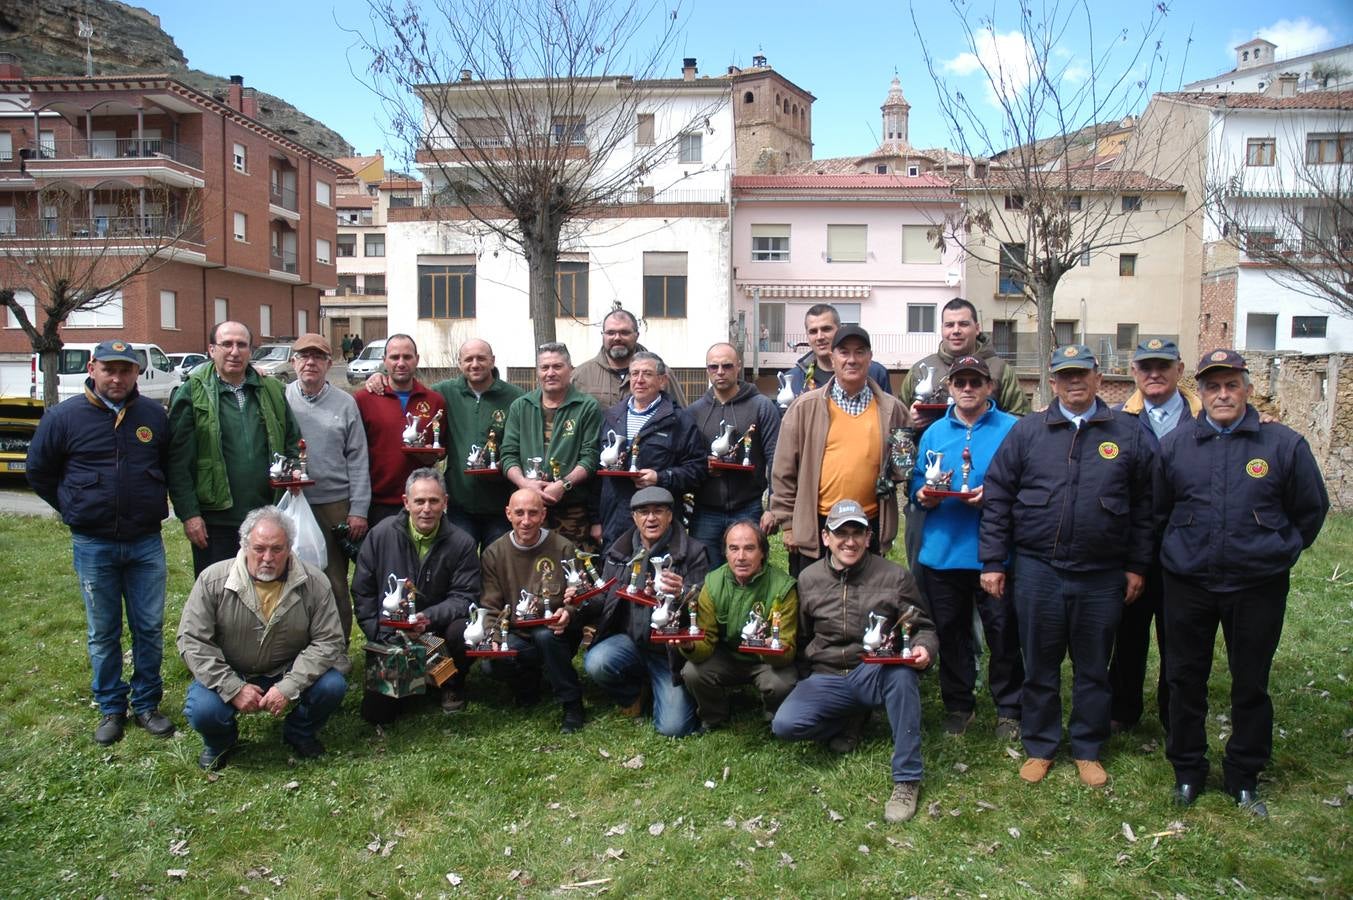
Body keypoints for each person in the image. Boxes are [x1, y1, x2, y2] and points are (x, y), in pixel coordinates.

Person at [1155, 349, 1328, 816]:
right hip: (1189, 583)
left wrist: (1278, 550)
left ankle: (1243, 775)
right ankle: (1187, 771)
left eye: (1232, 385)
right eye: (1213, 386)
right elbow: (1157, 510)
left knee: (1250, 682)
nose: (1223, 394)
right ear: (1201, 393)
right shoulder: (1176, 446)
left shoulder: (1283, 445)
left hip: (1257, 586)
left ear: (1248, 390)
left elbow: (1310, 510)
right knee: (1184, 679)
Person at [979, 345, 1154, 788]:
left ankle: (1087, 747)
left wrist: (1137, 565)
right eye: (1065, 375)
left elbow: (1146, 506)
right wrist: (993, 561)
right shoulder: (1028, 432)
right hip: (1039, 569)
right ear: (1052, 383)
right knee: (1040, 664)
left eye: (1082, 374)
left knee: (1094, 667)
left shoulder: (1128, 433)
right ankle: (1040, 745)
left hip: (1101, 573)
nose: (1075, 382)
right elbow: (998, 497)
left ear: (1099, 379)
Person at [26, 339, 175, 745]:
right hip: (94, 545)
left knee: (148, 627)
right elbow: (38, 470)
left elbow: (167, 465)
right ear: (92, 368)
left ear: (137, 372)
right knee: (103, 631)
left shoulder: (152, 416)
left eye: (126, 370)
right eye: (109, 369)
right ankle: (111, 707)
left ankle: (147, 704)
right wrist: (72, 506)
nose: (117, 378)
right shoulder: (64, 417)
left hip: (145, 542)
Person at [771, 500, 937, 824]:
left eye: (857, 533)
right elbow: (802, 636)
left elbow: (923, 628)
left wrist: (924, 649)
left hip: (873, 671)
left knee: (902, 675)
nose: (849, 541)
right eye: (841, 533)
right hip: (827, 675)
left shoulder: (894, 577)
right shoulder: (808, 579)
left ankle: (907, 779)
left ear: (868, 537)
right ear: (826, 538)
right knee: (785, 725)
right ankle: (850, 718)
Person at [177, 506, 350, 769]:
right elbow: (192, 641)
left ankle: (300, 731)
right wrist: (233, 688)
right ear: (244, 545)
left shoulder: (315, 582)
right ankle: (221, 742)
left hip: (288, 668)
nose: (268, 557)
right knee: (204, 710)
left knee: (332, 686)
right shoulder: (212, 580)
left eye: (277, 549)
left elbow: (328, 640)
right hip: (230, 669)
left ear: (289, 547)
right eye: (259, 549)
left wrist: (289, 686)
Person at [909, 355, 1023, 739]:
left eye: (976, 382)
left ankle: (1009, 708)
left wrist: (994, 494)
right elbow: (916, 480)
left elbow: (1028, 481)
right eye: (961, 382)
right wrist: (923, 494)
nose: (968, 388)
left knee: (1003, 632)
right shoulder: (934, 432)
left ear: (990, 386)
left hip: (995, 553)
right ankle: (959, 705)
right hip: (943, 551)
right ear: (950, 388)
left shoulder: (1013, 429)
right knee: (951, 631)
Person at [1105, 338, 1200, 736]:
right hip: (1132, 548)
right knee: (1128, 631)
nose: (1155, 374)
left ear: (1180, 370)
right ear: (1134, 373)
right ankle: (1123, 708)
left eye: (1163, 366)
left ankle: (1173, 713)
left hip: (1186, 548)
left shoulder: (1202, 417)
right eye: (1146, 367)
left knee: (1178, 637)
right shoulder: (1116, 419)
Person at [897, 297, 1030, 566]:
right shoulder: (921, 369)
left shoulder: (999, 369)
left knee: (991, 564)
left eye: (963, 324)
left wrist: (984, 425)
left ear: (977, 328)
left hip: (988, 485)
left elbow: (1023, 423)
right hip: (933, 487)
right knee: (927, 563)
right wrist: (910, 423)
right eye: (949, 325)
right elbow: (899, 430)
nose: (955, 330)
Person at [770, 324, 909, 576]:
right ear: (832, 358)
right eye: (844, 352)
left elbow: (903, 468)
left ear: (870, 358)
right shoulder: (804, 408)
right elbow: (783, 470)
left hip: (869, 524)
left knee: (867, 595)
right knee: (813, 595)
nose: (852, 359)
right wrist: (788, 524)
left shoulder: (893, 410)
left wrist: (897, 462)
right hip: (817, 524)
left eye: (859, 352)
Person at [168, 321, 302, 576]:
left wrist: (294, 472)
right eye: (226, 344)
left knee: (268, 590)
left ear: (250, 350)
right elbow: (177, 462)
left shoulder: (271, 389)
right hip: (216, 521)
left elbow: (292, 441)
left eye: (242, 345)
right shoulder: (192, 392)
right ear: (211, 349)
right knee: (219, 589)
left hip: (267, 517)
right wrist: (189, 514)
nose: (234, 351)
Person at [365, 339, 522, 550]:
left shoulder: (515, 398)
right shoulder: (444, 393)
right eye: (468, 359)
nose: (475, 364)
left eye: (481, 358)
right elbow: (410, 389)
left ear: (492, 360)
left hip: (500, 503)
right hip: (459, 504)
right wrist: (379, 376)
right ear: (459, 363)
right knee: (457, 559)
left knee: (496, 562)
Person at [352, 468, 480, 721]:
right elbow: (362, 592)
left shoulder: (462, 543)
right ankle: (416, 677)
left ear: (445, 502)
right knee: (377, 715)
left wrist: (427, 618)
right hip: (393, 635)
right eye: (419, 501)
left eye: (434, 501)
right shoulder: (380, 534)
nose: (426, 509)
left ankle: (451, 682)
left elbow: (465, 597)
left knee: (463, 629)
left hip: (438, 632)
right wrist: (381, 634)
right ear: (406, 502)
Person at [582, 486, 710, 736]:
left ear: (670, 515)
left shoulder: (693, 552)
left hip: (668, 653)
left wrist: (682, 592)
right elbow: (604, 597)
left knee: (674, 728)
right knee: (597, 662)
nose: (651, 518)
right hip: (629, 642)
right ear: (634, 517)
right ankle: (633, 692)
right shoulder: (619, 550)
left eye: (658, 511)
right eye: (643, 512)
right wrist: (580, 600)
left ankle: (664, 686)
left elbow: (705, 601)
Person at [285, 333, 370, 641]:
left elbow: (358, 458)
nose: (310, 362)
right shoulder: (280, 398)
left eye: (318, 357)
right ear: (294, 362)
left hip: (335, 504)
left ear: (328, 363)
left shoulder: (345, 404)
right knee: (290, 578)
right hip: (292, 501)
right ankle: (296, 647)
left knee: (334, 581)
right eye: (303, 356)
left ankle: (337, 648)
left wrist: (358, 509)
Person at [478, 489, 586, 732]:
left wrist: (569, 611)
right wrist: (493, 638)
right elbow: (490, 605)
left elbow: (580, 596)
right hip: (517, 634)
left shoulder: (564, 548)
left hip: (557, 633)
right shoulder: (494, 553)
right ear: (508, 514)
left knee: (545, 636)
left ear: (543, 515)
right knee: (492, 664)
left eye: (533, 513)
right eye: (519, 513)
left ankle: (572, 703)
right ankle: (527, 684)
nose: (526, 521)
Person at [678, 521, 798, 731]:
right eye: (733, 548)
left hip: (765, 662)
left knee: (782, 682)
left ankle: (773, 716)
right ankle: (714, 715)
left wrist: (771, 649)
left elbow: (788, 651)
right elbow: (706, 641)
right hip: (727, 657)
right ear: (725, 553)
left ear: (763, 552)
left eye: (749, 548)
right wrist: (690, 646)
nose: (740, 557)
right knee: (692, 672)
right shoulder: (713, 583)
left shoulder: (783, 588)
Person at [594, 351, 705, 548]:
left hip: (658, 521)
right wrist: (596, 519)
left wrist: (661, 477)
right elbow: (595, 473)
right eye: (634, 373)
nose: (639, 380)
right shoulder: (611, 417)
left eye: (647, 373)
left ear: (662, 381)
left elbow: (697, 469)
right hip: (615, 520)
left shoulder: (679, 421)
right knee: (616, 566)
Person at [686, 342, 780, 566]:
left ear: (738, 367)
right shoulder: (694, 411)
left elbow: (776, 459)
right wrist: (703, 465)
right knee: (705, 575)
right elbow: (686, 459)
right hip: (705, 510)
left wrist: (773, 508)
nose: (720, 372)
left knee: (749, 572)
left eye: (727, 366)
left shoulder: (761, 406)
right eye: (714, 366)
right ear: (707, 370)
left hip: (748, 506)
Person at [500, 342, 601, 548]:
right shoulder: (521, 406)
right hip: (528, 509)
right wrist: (524, 483)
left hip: (572, 509)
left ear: (570, 369)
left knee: (571, 563)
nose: (550, 373)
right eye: (544, 367)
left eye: (557, 366)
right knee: (528, 563)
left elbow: (590, 457)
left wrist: (563, 485)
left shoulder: (587, 406)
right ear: (537, 371)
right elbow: (508, 454)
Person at [353, 334, 447, 526]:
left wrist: (431, 455)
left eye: (407, 357)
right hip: (377, 503)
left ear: (417, 359)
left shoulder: (434, 401)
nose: (401, 363)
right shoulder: (363, 399)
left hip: (421, 504)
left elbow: (442, 449)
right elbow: (354, 452)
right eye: (395, 357)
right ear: (384, 360)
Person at [573, 308, 688, 409]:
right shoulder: (579, 376)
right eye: (611, 333)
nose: (617, 338)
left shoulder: (661, 373)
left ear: (636, 335)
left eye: (624, 332)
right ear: (603, 335)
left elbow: (682, 417)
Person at [786, 304, 892, 400]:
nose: (819, 337)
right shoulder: (792, 379)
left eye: (826, 329)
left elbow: (888, 411)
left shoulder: (876, 373)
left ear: (840, 330)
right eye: (813, 331)